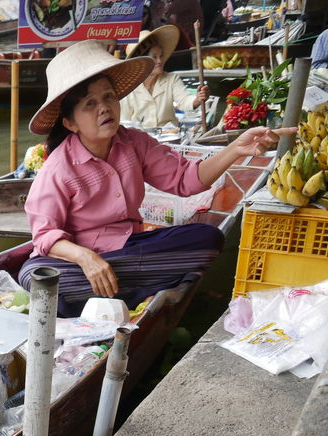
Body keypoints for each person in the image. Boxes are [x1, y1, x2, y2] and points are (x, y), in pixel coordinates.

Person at [19, 40, 291, 316]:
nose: (104, 108)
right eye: (90, 104)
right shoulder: (58, 167)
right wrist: (87, 258)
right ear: (70, 123)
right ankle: (130, 289)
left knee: (208, 238)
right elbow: (45, 236)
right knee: (34, 275)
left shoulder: (134, 143)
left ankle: (109, 292)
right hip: (79, 262)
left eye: (109, 97)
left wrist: (235, 149)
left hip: (129, 251)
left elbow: (186, 180)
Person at [120, 26, 209, 128]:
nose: (159, 61)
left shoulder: (171, 79)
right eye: (154, 57)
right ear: (142, 62)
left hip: (170, 137)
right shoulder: (129, 88)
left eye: (161, 56)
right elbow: (124, 122)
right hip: (140, 140)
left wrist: (198, 99)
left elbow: (184, 100)